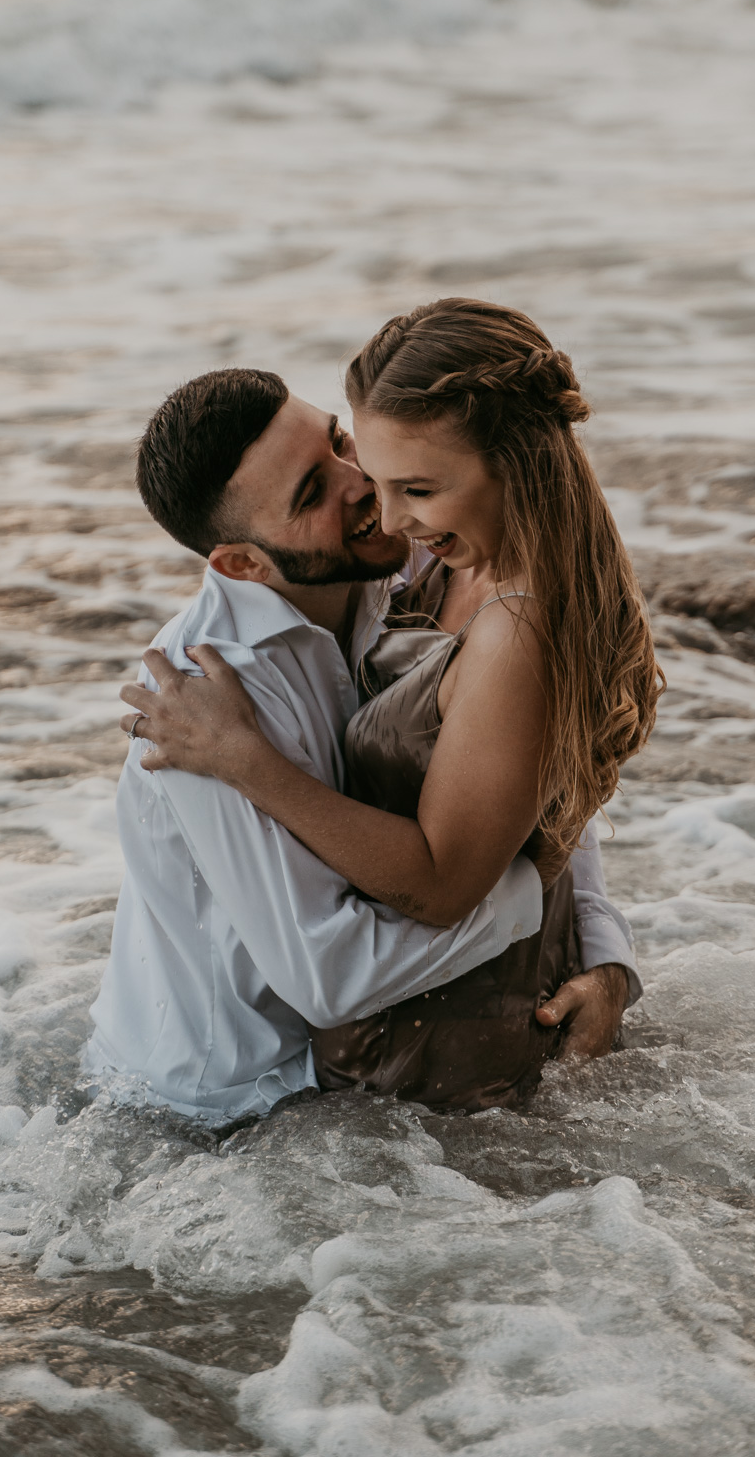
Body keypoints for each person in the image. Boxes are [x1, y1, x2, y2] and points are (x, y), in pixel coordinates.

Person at [105, 299, 661, 1118]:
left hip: (382, 1080)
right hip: (228, 1107)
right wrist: (519, 894)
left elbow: (521, 764)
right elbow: (330, 977)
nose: (366, 487)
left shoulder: (405, 565)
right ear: (245, 563)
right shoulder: (204, 708)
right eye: (312, 492)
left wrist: (605, 954)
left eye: (338, 442)